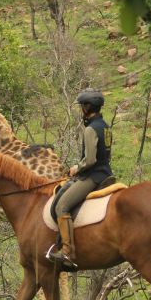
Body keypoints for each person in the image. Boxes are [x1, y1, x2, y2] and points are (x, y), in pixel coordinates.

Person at [49, 89, 114, 270]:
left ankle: (67, 251)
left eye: (82, 106)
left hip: (93, 176)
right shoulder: (106, 127)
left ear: (87, 107)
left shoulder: (90, 129)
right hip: (106, 172)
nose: (81, 110)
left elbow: (90, 160)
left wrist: (76, 168)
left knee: (62, 206)